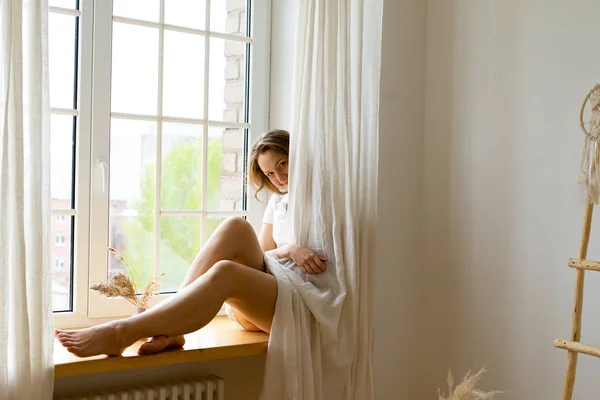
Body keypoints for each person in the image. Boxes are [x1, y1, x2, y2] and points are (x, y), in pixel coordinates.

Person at [56, 129, 328, 357]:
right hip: (260, 303)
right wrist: (291, 248)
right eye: (269, 173)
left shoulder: (327, 199)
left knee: (225, 271)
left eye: (282, 164)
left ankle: (124, 331)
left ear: (297, 156)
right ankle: (173, 329)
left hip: (295, 309)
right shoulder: (278, 202)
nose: (278, 178)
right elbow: (265, 255)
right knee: (236, 225)